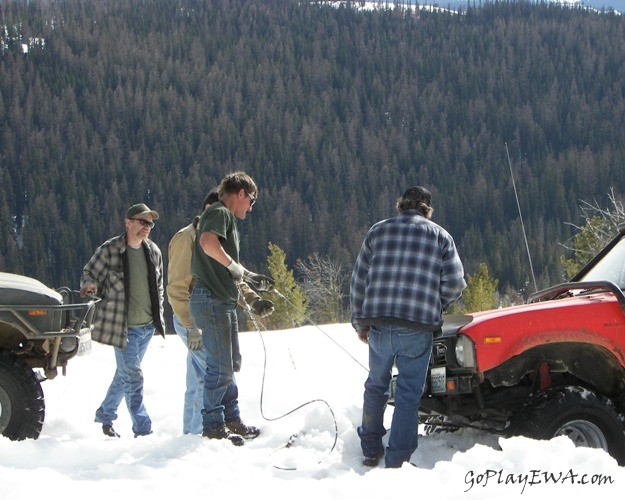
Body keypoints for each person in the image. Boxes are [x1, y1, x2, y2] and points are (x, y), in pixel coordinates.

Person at [350, 186, 466, 468]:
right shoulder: (441, 236)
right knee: (408, 394)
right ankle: (398, 459)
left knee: (375, 386)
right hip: (417, 327)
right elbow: (455, 283)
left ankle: (369, 449)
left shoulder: (377, 231)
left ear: (400, 206)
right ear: (427, 210)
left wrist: (360, 322)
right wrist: (434, 304)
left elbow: (358, 281)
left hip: (379, 325)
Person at [167, 190, 275, 435]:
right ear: (208, 210)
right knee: (219, 370)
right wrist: (189, 325)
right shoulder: (187, 239)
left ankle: (194, 433)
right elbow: (176, 287)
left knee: (200, 378)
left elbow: (232, 276)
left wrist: (254, 299)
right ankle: (219, 425)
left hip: (209, 313)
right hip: (194, 318)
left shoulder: (219, 238)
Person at [80, 203, 166, 439]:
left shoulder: (154, 252)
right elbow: (89, 273)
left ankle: (105, 416)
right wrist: (89, 286)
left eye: (150, 223)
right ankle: (143, 429)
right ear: (128, 223)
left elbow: (159, 287)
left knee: (124, 374)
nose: (147, 227)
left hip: (147, 327)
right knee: (134, 376)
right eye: (142, 222)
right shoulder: (110, 250)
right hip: (123, 329)